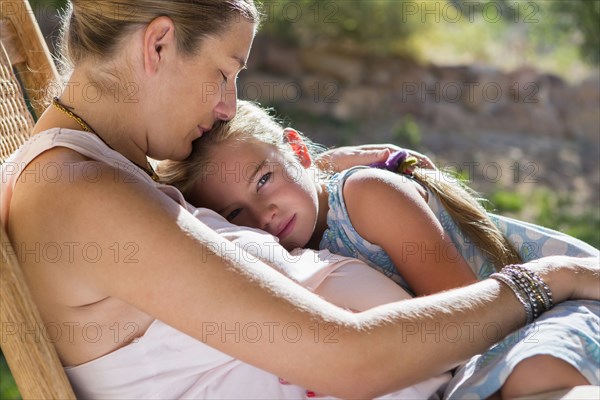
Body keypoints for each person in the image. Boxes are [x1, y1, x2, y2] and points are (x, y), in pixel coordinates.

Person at [1, 1, 599, 399]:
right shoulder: (82, 196)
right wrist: (547, 279)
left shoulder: (109, 171)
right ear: (158, 45)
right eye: (225, 70)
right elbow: (348, 359)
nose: (227, 106)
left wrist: (323, 165)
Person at [157, 100, 600, 398]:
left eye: (264, 180)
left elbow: (476, 318)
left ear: (297, 150)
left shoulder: (366, 197)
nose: (265, 214)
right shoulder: (281, 250)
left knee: (536, 376)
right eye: (234, 215)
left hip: (530, 314)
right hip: (462, 356)